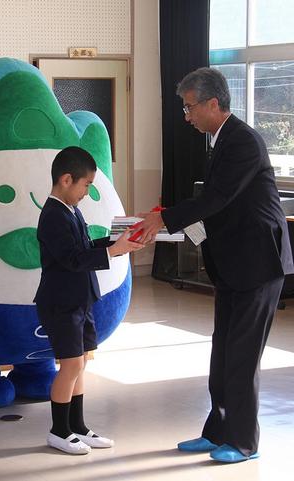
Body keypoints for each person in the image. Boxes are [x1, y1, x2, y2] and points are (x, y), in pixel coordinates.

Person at [136, 67, 294, 463]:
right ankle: (218, 431)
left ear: (212, 103)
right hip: (234, 264)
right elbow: (218, 207)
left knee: (241, 356)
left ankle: (243, 442)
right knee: (222, 351)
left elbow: (217, 198)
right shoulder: (221, 140)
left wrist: (164, 219)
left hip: (258, 264)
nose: (187, 116)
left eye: (189, 107)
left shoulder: (243, 141)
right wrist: (170, 224)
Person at [34, 146, 144, 455]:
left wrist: (117, 241)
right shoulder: (52, 215)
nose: (87, 192)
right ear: (66, 179)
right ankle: (58, 431)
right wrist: (113, 251)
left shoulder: (71, 210)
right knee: (70, 365)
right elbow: (72, 259)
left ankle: (77, 426)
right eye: (86, 184)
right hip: (61, 303)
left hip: (81, 299)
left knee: (81, 362)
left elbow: (84, 247)